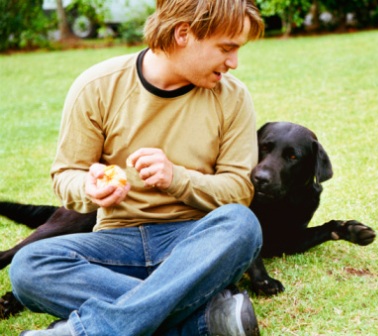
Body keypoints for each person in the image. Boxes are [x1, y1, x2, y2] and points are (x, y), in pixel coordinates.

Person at [9, 0, 265, 335]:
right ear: (184, 33)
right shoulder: (97, 86)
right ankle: (203, 321)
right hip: (116, 242)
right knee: (28, 266)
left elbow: (238, 191)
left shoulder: (233, 98)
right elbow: (66, 174)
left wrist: (178, 178)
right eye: (226, 48)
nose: (233, 62)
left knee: (242, 225)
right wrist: (89, 187)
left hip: (193, 245)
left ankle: (86, 331)